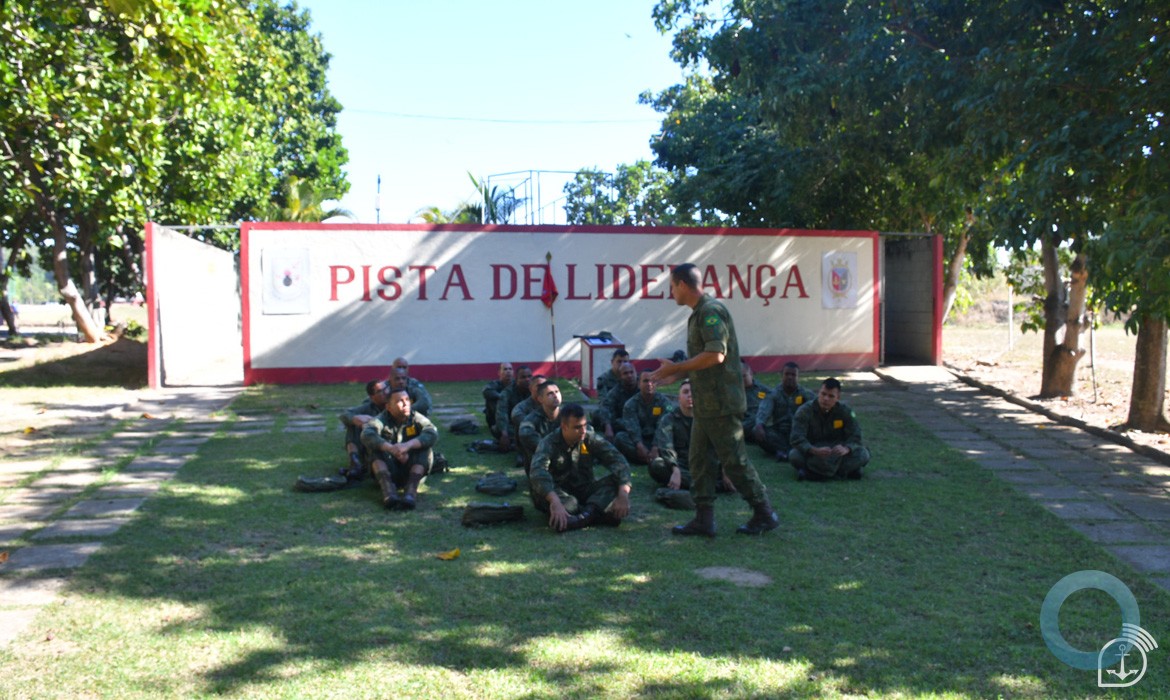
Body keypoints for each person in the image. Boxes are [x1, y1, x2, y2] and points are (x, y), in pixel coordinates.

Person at [648, 263, 780, 536]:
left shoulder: (710, 312)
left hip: (721, 404)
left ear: (683, 284)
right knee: (699, 461)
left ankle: (764, 513)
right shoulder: (698, 314)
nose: (670, 292)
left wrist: (676, 367)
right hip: (707, 404)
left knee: (734, 461)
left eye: (672, 286)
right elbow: (705, 361)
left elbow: (716, 354)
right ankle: (704, 519)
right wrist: (677, 374)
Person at [528, 403, 632, 532]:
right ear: (564, 427)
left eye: (584, 425)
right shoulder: (548, 443)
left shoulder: (588, 437)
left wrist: (623, 495)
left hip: (584, 489)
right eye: (577, 427)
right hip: (558, 491)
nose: (583, 430)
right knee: (569, 505)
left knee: (618, 483)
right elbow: (538, 473)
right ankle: (596, 514)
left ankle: (581, 518)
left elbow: (617, 460)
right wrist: (555, 501)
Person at [361, 386, 439, 510]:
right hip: (389, 469)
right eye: (400, 401)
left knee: (424, 448)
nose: (405, 404)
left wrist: (408, 445)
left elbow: (432, 433)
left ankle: (411, 492)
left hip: (412, 469)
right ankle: (388, 491)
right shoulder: (380, 419)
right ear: (388, 407)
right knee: (374, 449)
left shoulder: (416, 417)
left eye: (407, 400)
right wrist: (390, 448)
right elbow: (367, 434)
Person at [789, 377, 871, 481]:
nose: (826, 399)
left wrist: (846, 448)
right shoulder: (805, 411)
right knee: (794, 456)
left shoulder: (845, 411)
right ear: (819, 393)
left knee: (863, 454)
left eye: (831, 396)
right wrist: (814, 450)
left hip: (837, 454)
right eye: (823, 394)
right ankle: (843, 473)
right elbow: (796, 438)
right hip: (814, 452)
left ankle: (813, 474)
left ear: (838, 398)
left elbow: (856, 435)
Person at [753, 362, 817, 461]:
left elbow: (818, 407)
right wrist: (759, 425)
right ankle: (790, 451)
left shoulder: (806, 394)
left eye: (793, 375)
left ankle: (783, 452)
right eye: (787, 374)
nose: (790, 377)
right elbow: (764, 410)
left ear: (798, 377)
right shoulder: (773, 394)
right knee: (757, 430)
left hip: (798, 432)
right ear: (781, 375)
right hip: (779, 433)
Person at [615, 370, 672, 465]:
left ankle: (646, 459)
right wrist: (640, 446)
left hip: (659, 441)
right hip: (641, 441)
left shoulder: (665, 403)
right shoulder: (630, 404)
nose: (649, 384)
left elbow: (664, 427)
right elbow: (632, 428)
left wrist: (655, 446)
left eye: (653, 381)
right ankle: (650, 458)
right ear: (639, 384)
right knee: (620, 437)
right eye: (645, 381)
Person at [336, 379, 388, 480]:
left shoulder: (394, 402)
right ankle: (355, 462)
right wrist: (354, 419)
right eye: (380, 391)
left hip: (389, 443)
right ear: (372, 397)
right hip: (372, 444)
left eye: (385, 389)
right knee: (353, 424)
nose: (385, 392)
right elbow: (344, 415)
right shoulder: (369, 407)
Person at [649, 379, 695, 490]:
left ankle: (697, 483)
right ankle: (709, 484)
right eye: (685, 392)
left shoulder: (706, 419)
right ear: (679, 398)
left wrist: (724, 470)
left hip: (703, 465)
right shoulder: (669, 419)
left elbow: (718, 447)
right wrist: (675, 468)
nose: (690, 395)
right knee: (657, 465)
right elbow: (666, 447)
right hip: (680, 464)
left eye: (693, 392)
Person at [517, 380, 563, 472]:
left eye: (557, 392)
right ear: (540, 399)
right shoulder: (531, 420)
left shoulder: (568, 415)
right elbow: (527, 436)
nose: (555, 396)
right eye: (550, 393)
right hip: (541, 468)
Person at [597, 361, 638, 442]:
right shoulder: (616, 391)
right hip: (625, 423)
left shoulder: (643, 387)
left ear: (636, 373)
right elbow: (605, 407)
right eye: (625, 373)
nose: (629, 375)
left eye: (631, 372)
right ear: (620, 377)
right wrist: (608, 427)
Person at [495, 365, 533, 452]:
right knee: (498, 429)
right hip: (513, 425)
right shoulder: (507, 393)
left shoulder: (535, 391)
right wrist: (504, 434)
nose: (527, 379)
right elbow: (501, 413)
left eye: (529, 376)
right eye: (523, 377)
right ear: (516, 379)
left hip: (532, 423)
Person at [741, 360, 770, 443]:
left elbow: (775, 397)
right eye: (739, 377)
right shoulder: (736, 392)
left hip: (762, 419)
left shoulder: (762, 389)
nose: (742, 379)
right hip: (746, 421)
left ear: (751, 374)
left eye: (744, 376)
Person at [483, 362, 514, 437]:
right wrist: (502, 397)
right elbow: (486, 391)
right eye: (505, 369)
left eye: (510, 369)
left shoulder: (516, 385)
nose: (508, 371)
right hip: (496, 417)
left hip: (512, 414)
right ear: (499, 373)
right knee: (493, 399)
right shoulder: (494, 384)